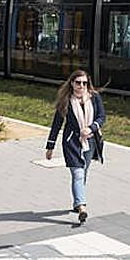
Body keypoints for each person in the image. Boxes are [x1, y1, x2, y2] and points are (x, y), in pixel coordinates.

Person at [45, 69, 106, 224]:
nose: (81, 86)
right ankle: (82, 207)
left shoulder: (94, 97)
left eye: (84, 83)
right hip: (72, 143)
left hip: (91, 141)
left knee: (83, 172)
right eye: (78, 83)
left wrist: (91, 128)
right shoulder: (66, 101)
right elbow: (57, 124)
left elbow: (101, 117)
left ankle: (77, 202)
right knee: (78, 174)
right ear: (72, 83)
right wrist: (50, 146)